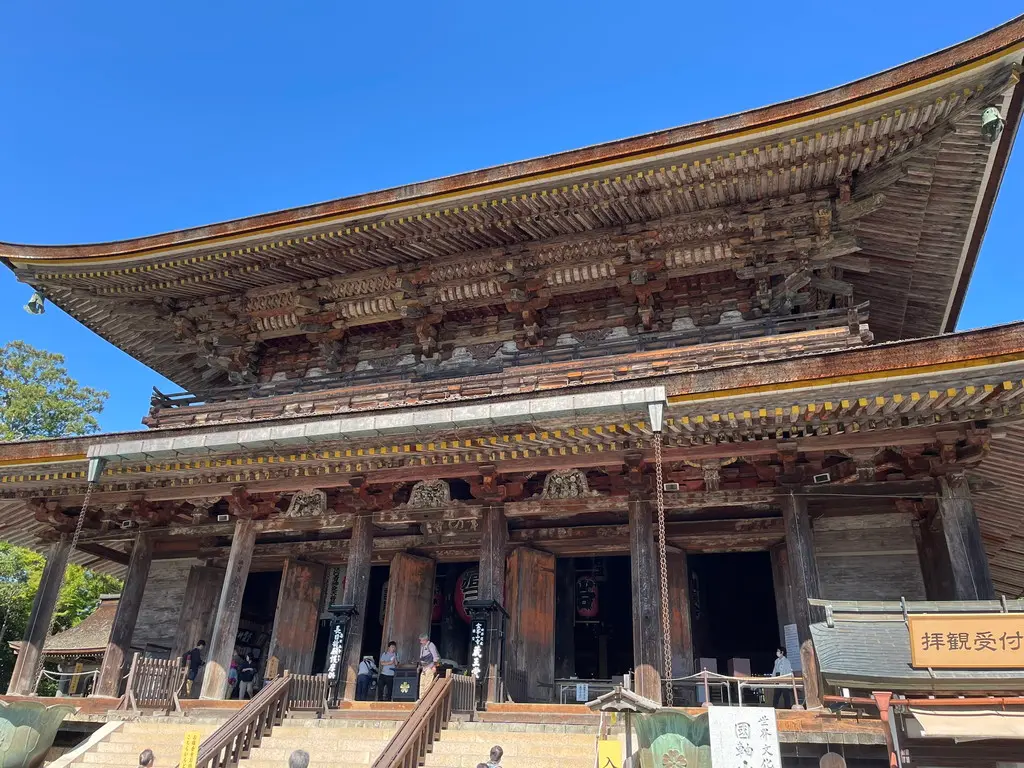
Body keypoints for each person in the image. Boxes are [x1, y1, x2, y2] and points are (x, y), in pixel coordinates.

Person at [418, 633, 440, 700]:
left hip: (430, 666)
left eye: (421, 640)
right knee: (422, 684)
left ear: (425, 640)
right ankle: (421, 698)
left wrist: (434, 666)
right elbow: (421, 658)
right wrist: (419, 666)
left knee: (428, 684)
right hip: (424, 668)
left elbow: (435, 657)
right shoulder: (422, 646)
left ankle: (425, 699)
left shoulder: (431, 645)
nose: (420, 642)